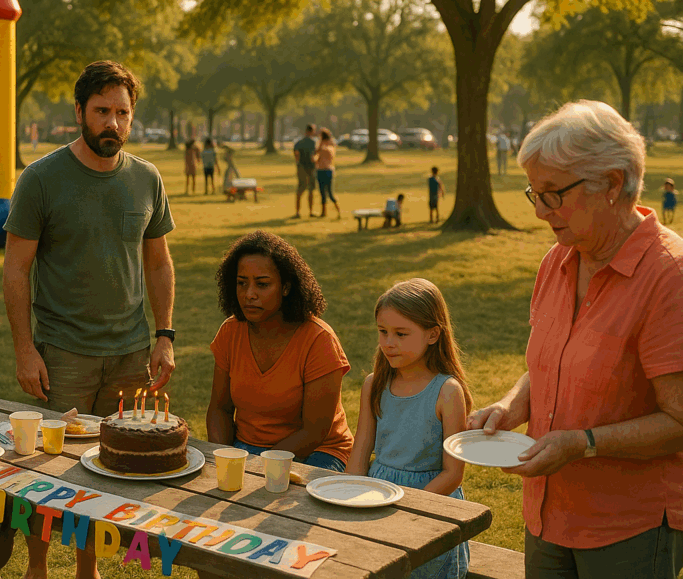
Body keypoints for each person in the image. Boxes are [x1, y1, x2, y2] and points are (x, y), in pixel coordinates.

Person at [467, 100, 683, 579]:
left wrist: (582, 443)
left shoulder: (669, 276)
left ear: (610, 183)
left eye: (553, 194)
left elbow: (679, 419)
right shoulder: (558, 261)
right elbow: (552, 366)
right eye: (534, 194)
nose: (541, 211)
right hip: (546, 514)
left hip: (628, 527)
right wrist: (509, 407)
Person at [3, 60, 176, 579]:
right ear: (79, 111)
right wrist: (25, 349)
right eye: (102, 111)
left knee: (109, 469)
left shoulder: (147, 178)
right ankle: (37, 569)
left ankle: (87, 571)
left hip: (130, 352)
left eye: (122, 113)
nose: (113, 124)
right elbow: (16, 270)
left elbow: (159, 261)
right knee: (47, 470)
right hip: (62, 351)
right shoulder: (41, 179)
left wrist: (164, 335)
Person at [346, 278, 472, 579]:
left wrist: (409, 508)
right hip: (377, 497)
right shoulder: (374, 384)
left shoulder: (447, 392)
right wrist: (346, 499)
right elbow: (360, 452)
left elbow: (453, 473)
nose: (388, 342)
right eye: (383, 332)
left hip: (430, 506)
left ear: (432, 334)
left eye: (401, 334)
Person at [207, 231, 354, 471]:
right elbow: (219, 409)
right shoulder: (230, 332)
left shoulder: (319, 340)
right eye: (241, 283)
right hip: (245, 448)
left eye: (262, 284)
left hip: (317, 451)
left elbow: (314, 431)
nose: (249, 294)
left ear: (285, 287)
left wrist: (260, 467)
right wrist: (222, 457)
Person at [314, 128, 342, 219]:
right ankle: (324, 212)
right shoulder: (330, 145)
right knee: (324, 193)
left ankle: (336, 211)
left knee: (328, 193)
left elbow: (318, 155)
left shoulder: (326, 146)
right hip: (325, 170)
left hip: (324, 170)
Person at [293, 124, 318, 218]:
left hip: (301, 168)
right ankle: (311, 212)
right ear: (311, 131)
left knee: (300, 189)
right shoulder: (314, 142)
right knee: (311, 190)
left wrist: (298, 162)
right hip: (311, 168)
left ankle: (297, 212)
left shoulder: (299, 142)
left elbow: (296, 153)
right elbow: (315, 155)